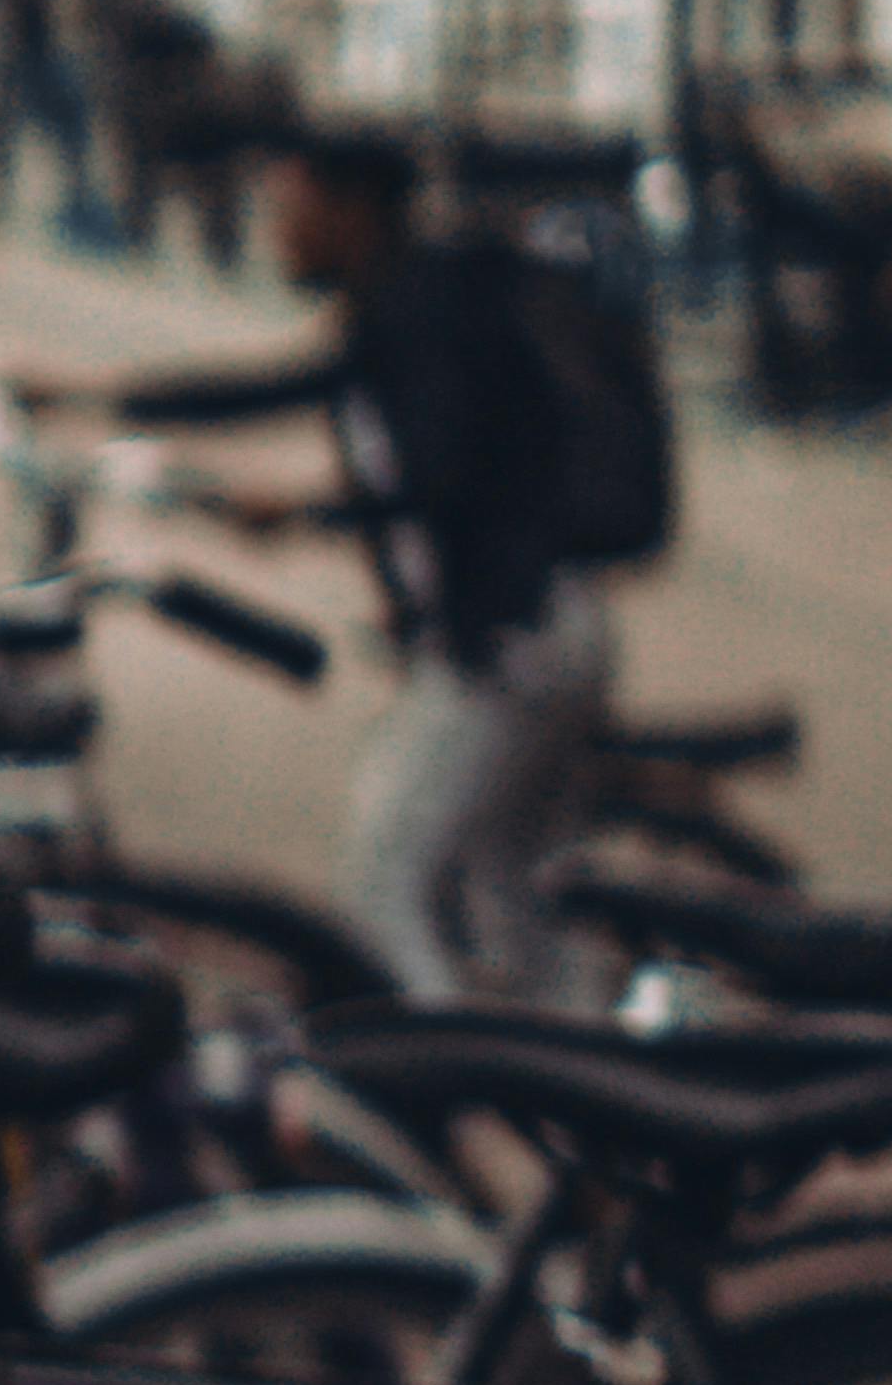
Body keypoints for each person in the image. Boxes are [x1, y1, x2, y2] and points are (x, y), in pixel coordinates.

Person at [76, 119, 657, 1000]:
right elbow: (275, 386)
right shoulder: (399, 304)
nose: (278, 234)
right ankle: (602, 1075)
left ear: (354, 210)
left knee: (383, 876)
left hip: (512, 635)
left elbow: (445, 472)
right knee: (512, 888)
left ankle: (421, 1101)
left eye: (291, 210)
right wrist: (95, 394)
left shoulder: (418, 311)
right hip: (546, 624)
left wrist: (305, 506)